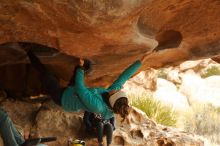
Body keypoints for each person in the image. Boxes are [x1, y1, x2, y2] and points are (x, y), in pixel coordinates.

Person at [26, 49, 147, 120]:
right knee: (86, 68)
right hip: (73, 91)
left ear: (112, 98)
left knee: (47, 75)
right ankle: (83, 68)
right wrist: (140, 61)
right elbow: (123, 77)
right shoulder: (112, 96)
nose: (117, 89)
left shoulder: (98, 107)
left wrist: (80, 68)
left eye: (117, 91)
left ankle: (28, 51)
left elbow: (80, 89)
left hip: (64, 98)